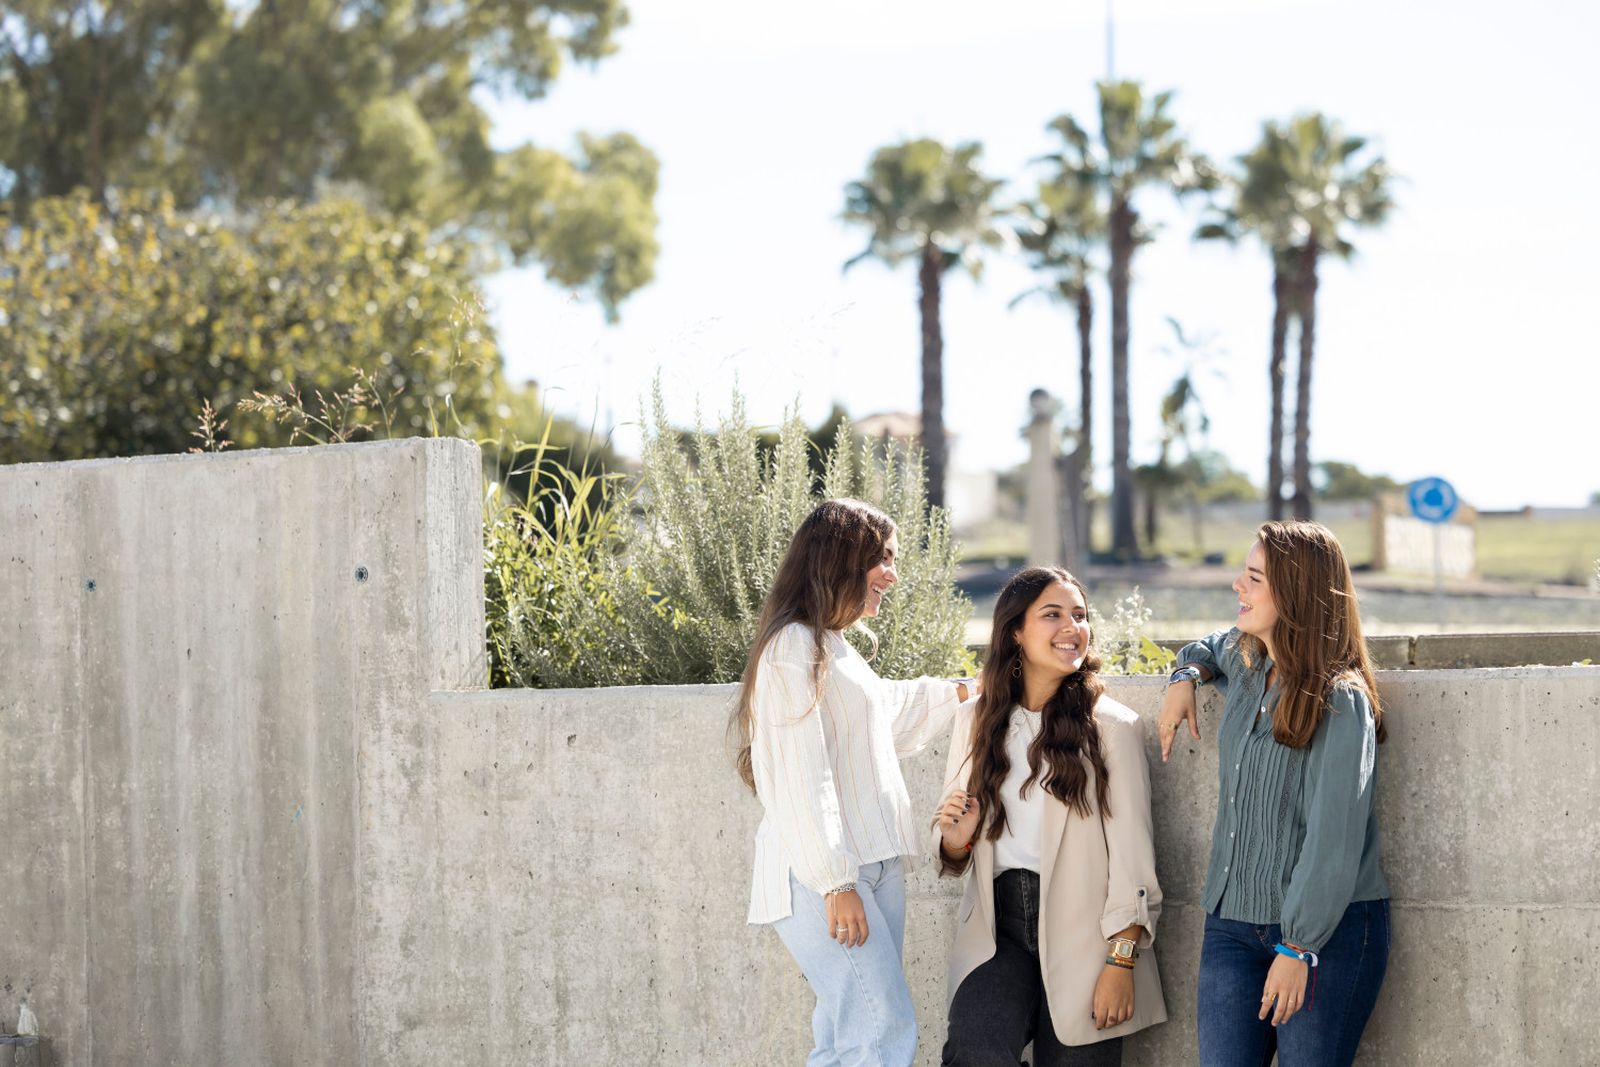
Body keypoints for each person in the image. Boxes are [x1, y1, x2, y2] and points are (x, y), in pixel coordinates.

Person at [733, 498, 976, 1066]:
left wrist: (966, 689)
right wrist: (835, 882)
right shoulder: (793, 647)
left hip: (873, 863)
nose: (893, 574)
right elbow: (800, 774)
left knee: (849, 1038)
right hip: (826, 874)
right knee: (880, 1031)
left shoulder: (833, 645)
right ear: (841, 556)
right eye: (882, 558)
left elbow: (884, 713)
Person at [1158, 520, 1390, 1067]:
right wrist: (1183, 675)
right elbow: (1209, 645)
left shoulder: (1341, 700)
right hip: (1231, 925)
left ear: (1297, 593)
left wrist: (1299, 946)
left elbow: (1333, 839)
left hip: (1323, 934)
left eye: (1254, 577)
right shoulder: (1247, 665)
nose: (1238, 585)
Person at [935, 566, 1165, 1067]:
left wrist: (1120, 961)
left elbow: (1133, 855)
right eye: (1053, 615)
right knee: (974, 1050)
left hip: (1090, 936)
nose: (1072, 628)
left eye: (1080, 616)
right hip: (999, 932)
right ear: (1015, 630)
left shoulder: (1112, 728)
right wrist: (956, 841)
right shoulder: (974, 720)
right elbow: (954, 849)